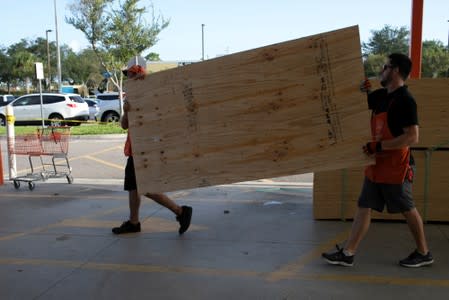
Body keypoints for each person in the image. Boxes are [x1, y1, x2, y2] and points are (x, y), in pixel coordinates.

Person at [322, 53, 433, 268]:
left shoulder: (405, 101)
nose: (381, 70)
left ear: (396, 70)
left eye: (385, 66)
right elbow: (359, 102)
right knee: (365, 205)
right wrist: (361, 88)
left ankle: (424, 252)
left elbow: (412, 136)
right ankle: (348, 253)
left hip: (396, 167)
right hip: (376, 164)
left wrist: (379, 146)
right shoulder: (381, 96)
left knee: (407, 208)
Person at [112, 57, 193, 235]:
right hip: (134, 150)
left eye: (132, 74)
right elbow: (124, 125)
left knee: (144, 187)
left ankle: (180, 211)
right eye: (128, 75)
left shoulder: (151, 97)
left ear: (140, 76)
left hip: (146, 150)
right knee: (133, 188)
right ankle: (134, 222)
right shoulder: (131, 98)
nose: (128, 78)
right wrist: (126, 112)